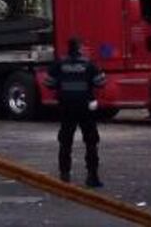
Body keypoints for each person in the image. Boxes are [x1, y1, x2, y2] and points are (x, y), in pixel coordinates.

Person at [43, 37, 106, 187]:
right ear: (79, 48)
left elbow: (48, 83)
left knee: (65, 141)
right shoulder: (88, 64)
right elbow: (101, 82)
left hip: (66, 107)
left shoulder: (59, 64)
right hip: (85, 108)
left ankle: (64, 175)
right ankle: (92, 176)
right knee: (91, 142)